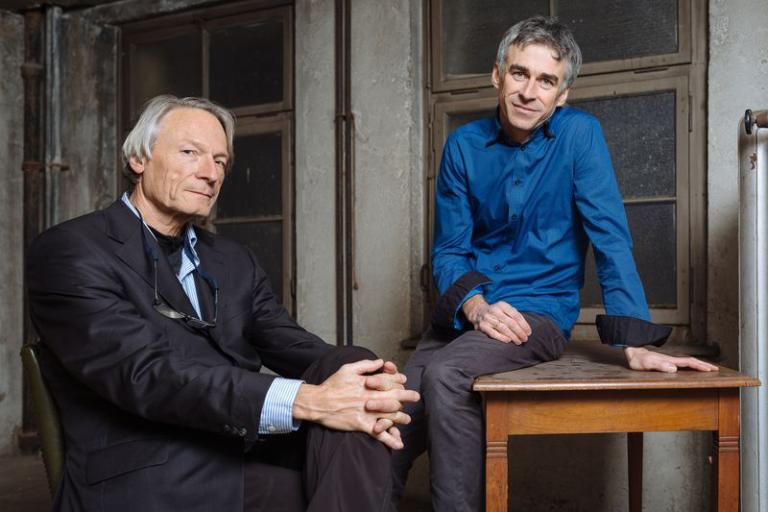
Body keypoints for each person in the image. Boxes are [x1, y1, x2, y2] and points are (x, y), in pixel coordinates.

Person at [27, 95, 419, 512]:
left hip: (238, 444)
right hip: (151, 468)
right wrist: (309, 399)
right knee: (351, 477)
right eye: (190, 153)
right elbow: (147, 375)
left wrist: (368, 384)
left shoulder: (233, 260)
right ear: (139, 159)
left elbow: (295, 346)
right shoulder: (71, 250)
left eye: (220, 161)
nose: (210, 173)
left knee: (352, 366)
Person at [391, 16, 718, 511]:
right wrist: (476, 307)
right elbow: (450, 250)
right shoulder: (463, 146)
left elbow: (610, 235)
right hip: (468, 309)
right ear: (497, 75)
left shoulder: (581, 136)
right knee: (395, 414)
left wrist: (634, 341)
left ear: (562, 94)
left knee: (446, 376)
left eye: (547, 81)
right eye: (520, 73)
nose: (529, 91)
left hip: (540, 312)